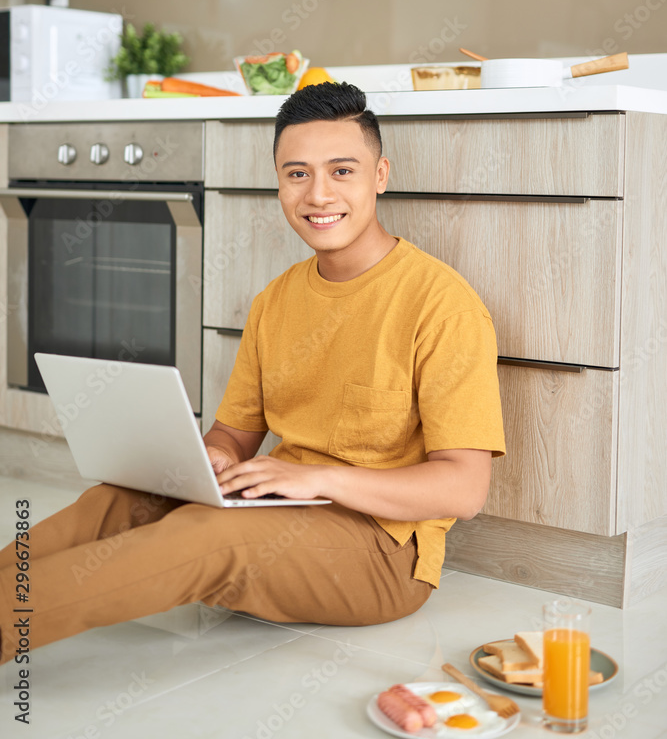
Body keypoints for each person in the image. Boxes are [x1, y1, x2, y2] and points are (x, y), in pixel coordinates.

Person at [0, 82, 504, 664]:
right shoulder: (275, 301)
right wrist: (213, 458)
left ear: (380, 175)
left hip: (383, 554)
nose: (318, 194)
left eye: (342, 171)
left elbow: (464, 489)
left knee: (204, 537)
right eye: (297, 174)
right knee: (116, 500)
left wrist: (320, 479)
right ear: (279, 181)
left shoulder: (441, 303)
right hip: (276, 505)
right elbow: (233, 435)